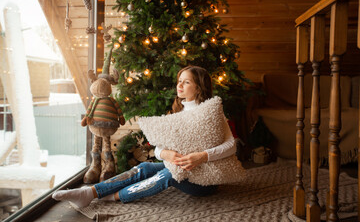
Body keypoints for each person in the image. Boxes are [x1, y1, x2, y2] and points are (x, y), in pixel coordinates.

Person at [52, 65, 237, 208]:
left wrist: (202, 156)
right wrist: (165, 154)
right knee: (146, 166)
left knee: (169, 173)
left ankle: (111, 196)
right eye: (179, 80)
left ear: (199, 87)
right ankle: (91, 193)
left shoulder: (212, 113)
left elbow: (231, 146)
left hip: (205, 181)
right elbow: (157, 149)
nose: (179, 85)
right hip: (180, 169)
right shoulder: (177, 113)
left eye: (186, 82)